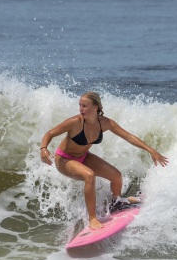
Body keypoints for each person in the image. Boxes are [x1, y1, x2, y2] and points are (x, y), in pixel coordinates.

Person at [40, 91, 168, 229]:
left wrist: (151, 150)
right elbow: (50, 133)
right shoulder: (75, 122)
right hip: (64, 160)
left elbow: (129, 137)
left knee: (116, 176)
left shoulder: (105, 123)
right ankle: (92, 218)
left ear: (95, 107)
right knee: (89, 175)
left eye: (85, 106)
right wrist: (43, 148)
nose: (81, 108)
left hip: (83, 157)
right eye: (80, 105)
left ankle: (116, 201)